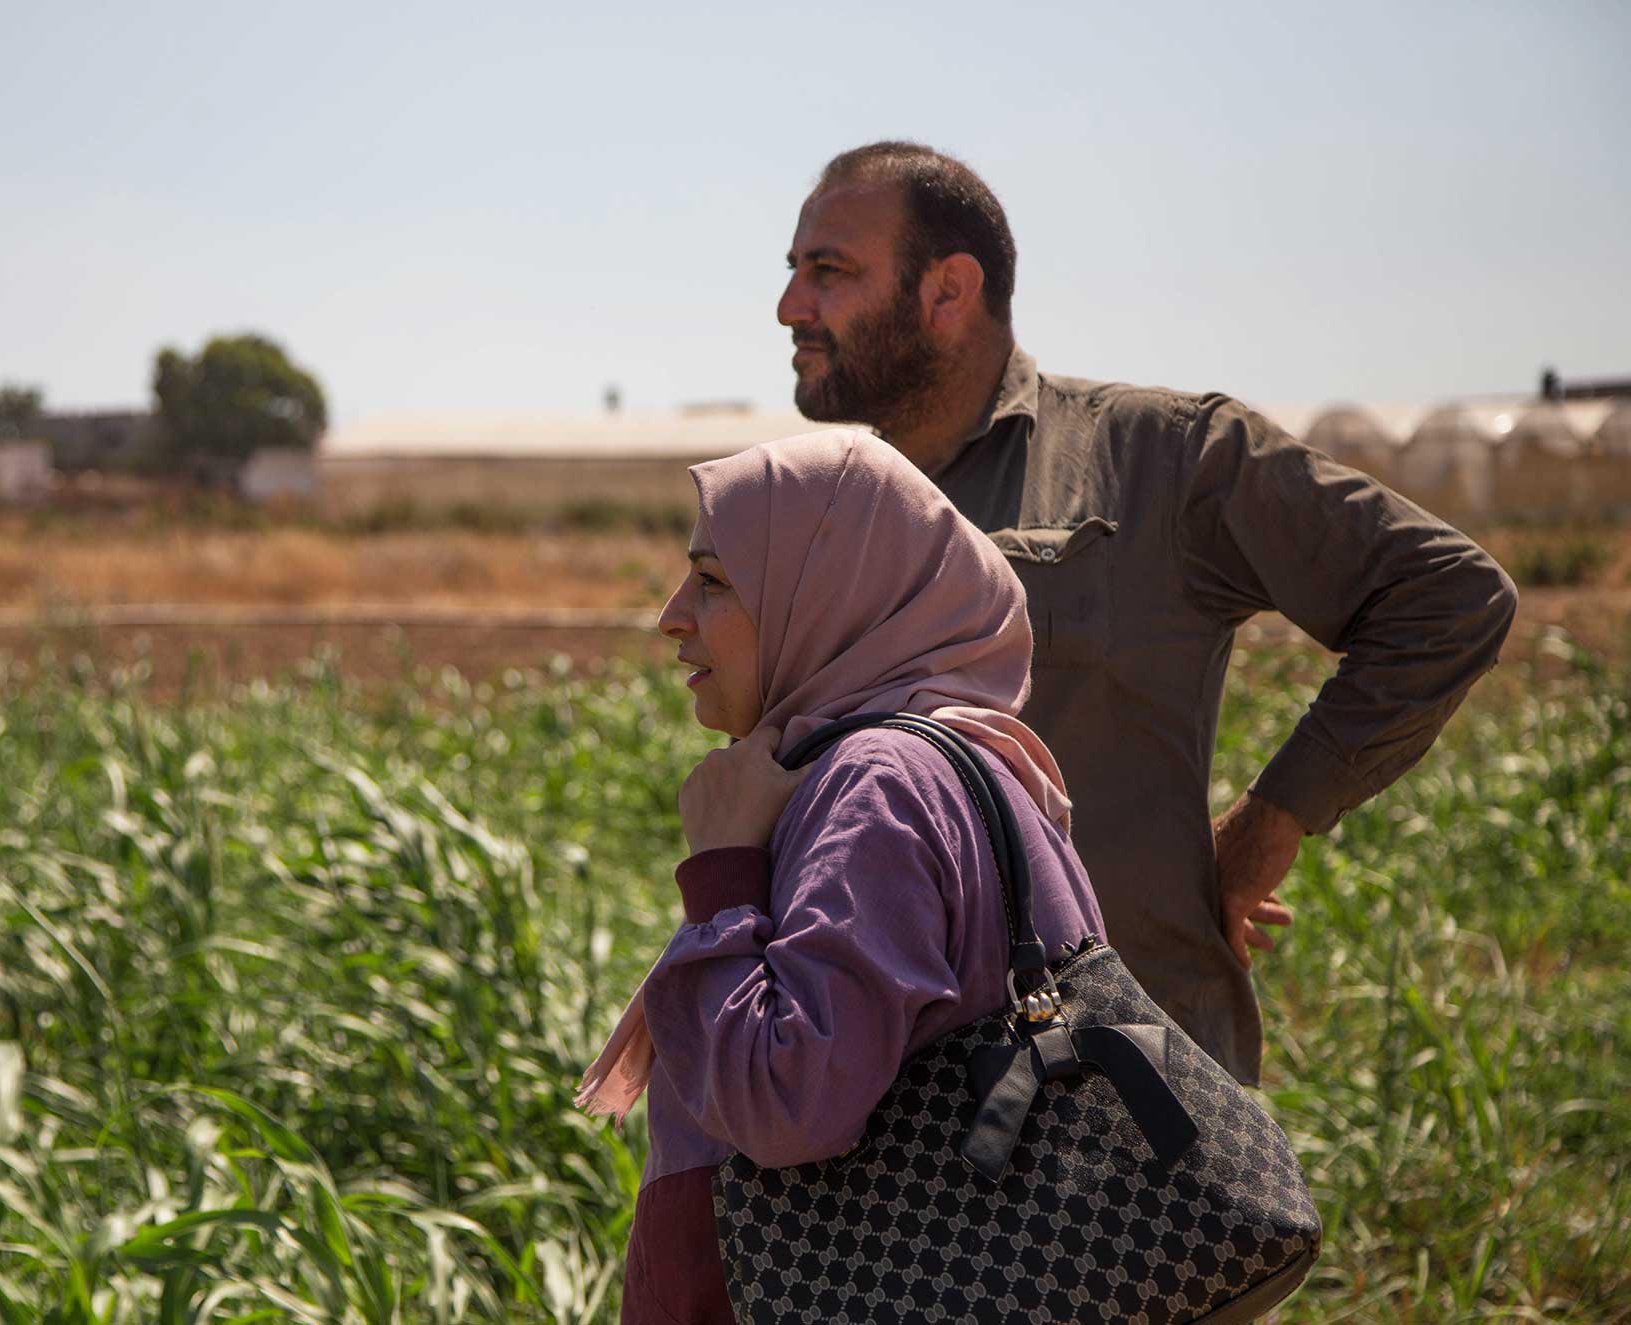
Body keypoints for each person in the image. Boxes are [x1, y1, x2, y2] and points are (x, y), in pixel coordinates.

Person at [775, 140, 1518, 1083]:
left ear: (948, 291)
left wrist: (1273, 818)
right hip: (891, 1105)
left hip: (1132, 1105)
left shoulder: (1158, 457)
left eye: (828, 272)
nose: (791, 306)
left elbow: (1447, 594)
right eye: (795, 272)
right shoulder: (821, 510)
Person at [579, 428, 1109, 1324]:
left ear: (824, 598)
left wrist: (720, 874)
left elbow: (789, 1100)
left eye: (713, 581)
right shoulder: (961, 760)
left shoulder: (878, 785)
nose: (673, 613)